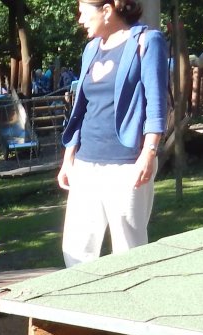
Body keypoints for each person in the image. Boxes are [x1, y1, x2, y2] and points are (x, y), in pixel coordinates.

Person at [57, 0, 169, 267]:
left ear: (106, 11)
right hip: (86, 161)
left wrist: (148, 153)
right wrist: (68, 158)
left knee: (129, 250)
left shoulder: (147, 41)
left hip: (127, 163)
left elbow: (156, 104)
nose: (80, 20)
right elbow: (81, 106)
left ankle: (131, 294)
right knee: (76, 249)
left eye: (84, 13)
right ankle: (83, 293)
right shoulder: (91, 49)